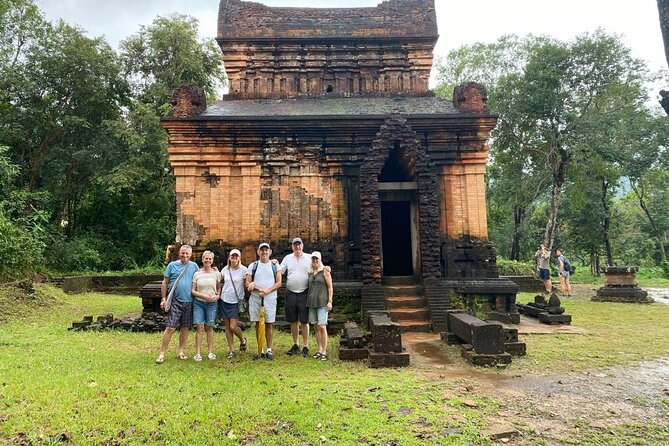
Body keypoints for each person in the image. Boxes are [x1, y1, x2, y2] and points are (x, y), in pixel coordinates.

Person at [156, 244, 199, 364]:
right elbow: (165, 282)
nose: (185, 255)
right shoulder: (172, 265)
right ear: (179, 253)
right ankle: (162, 353)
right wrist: (163, 298)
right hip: (175, 300)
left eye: (187, 254)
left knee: (185, 327)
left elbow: (201, 278)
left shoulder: (194, 266)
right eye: (183, 253)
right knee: (170, 327)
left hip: (189, 301)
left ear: (191, 255)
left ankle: (181, 351)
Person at [245, 242, 282, 360]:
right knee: (257, 323)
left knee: (269, 324)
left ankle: (269, 349)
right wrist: (259, 289)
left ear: (270, 252)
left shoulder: (275, 266)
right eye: (262, 250)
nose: (264, 253)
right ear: (258, 252)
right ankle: (260, 348)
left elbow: (279, 282)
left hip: (270, 298)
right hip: (256, 298)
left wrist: (268, 291)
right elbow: (248, 283)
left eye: (266, 250)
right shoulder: (253, 265)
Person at [279, 237, 312, 357]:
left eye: (299, 245)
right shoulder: (288, 258)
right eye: (295, 245)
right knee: (293, 320)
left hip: (304, 293)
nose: (297, 247)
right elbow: (280, 271)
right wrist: (273, 264)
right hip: (291, 292)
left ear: (302, 246)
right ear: (292, 247)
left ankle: (306, 346)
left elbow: (319, 266)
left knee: (304, 320)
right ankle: (296, 344)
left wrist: (326, 269)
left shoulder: (308, 257)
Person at [191, 250, 220, 361]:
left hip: (212, 303)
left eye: (210, 259)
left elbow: (218, 288)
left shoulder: (217, 274)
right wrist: (203, 296)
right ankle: (197, 352)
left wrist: (217, 296)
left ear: (212, 260)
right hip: (199, 302)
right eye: (206, 258)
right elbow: (193, 291)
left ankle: (210, 352)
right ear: (202, 259)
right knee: (199, 327)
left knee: (210, 327)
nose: (207, 260)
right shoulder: (197, 274)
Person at [219, 248, 248, 358]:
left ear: (239, 258)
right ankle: (231, 349)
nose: (234, 258)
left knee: (233, 326)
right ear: (229, 257)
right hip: (225, 299)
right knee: (227, 327)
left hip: (236, 301)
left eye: (236, 256)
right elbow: (218, 279)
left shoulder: (244, 270)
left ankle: (242, 339)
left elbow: (248, 281)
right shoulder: (225, 270)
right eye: (232, 256)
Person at [306, 251, 333, 361]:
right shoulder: (311, 272)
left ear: (320, 260)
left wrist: (330, 301)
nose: (315, 261)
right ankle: (319, 349)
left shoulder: (325, 271)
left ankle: (324, 351)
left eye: (317, 259)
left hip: (322, 302)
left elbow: (330, 287)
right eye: (313, 259)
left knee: (322, 326)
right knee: (316, 327)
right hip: (312, 302)